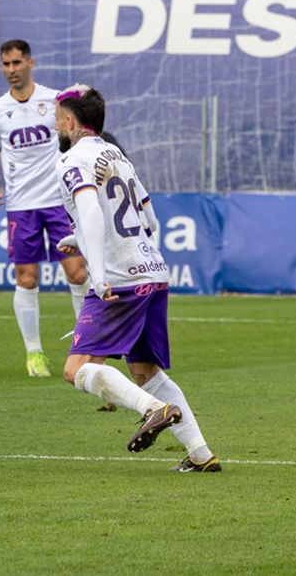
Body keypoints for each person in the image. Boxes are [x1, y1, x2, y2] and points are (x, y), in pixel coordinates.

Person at [54, 84, 221, 472]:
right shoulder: (117, 156)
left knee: (75, 369)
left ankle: (154, 409)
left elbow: (92, 213)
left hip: (119, 281)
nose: (56, 127)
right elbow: (149, 219)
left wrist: (97, 275)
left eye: (58, 119)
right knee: (145, 371)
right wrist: (79, 239)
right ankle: (200, 455)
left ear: (72, 122)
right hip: (153, 273)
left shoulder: (71, 160)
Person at [0, 39, 90, 378]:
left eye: (16, 63)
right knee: (27, 279)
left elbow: (78, 130)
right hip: (21, 206)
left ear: (31, 63)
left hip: (60, 202)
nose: (11, 70)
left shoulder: (54, 100)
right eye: (6, 64)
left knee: (78, 274)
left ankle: (86, 347)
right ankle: (34, 353)